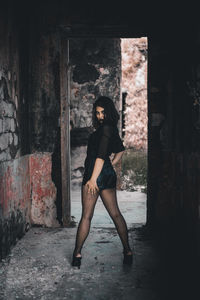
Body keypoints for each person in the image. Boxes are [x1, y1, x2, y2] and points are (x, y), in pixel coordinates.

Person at [72, 96, 133, 268]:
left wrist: (92, 179)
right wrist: (110, 165)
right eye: (97, 113)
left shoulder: (105, 129)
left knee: (86, 216)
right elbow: (120, 150)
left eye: (103, 112)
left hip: (94, 173)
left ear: (109, 112)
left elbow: (99, 156)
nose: (99, 116)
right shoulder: (111, 129)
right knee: (115, 214)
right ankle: (128, 251)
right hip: (105, 173)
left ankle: (77, 254)